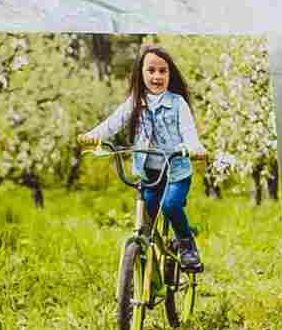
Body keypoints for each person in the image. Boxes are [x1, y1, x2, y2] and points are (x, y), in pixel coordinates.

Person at [82, 41, 206, 273]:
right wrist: (94, 135)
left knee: (170, 205)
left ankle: (186, 245)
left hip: (176, 171)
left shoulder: (177, 103)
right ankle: (142, 263)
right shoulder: (135, 102)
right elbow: (114, 122)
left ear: (169, 74)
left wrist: (194, 147)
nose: (157, 76)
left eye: (162, 71)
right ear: (141, 73)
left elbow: (189, 131)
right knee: (147, 214)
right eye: (151, 70)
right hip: (149, 173)